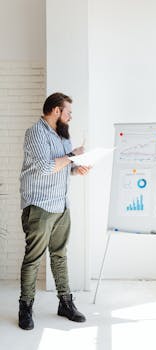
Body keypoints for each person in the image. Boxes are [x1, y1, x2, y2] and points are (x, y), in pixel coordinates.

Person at [18, 92, 90, 330]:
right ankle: (25, 308)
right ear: (56, 111)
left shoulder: (62, 136)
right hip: (40, 206)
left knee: (60, 255)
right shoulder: (35, 133)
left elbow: (63, 166)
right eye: (68, 112)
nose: (70, 117)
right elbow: (47, 166)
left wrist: (75, 168)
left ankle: (65, 303)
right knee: (33, 258)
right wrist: (71, 157)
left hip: (61, 205)